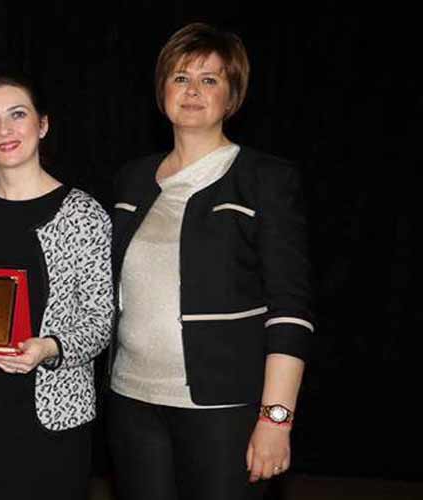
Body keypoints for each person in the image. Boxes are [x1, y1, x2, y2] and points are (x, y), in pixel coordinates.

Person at [107, 22, 313, 500]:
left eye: (210, 79)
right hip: (132, 402)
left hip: (225, 408)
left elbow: (290, 310)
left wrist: (275, 418)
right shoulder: (131, 179)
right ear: (162, 92)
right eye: (180, 78)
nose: (193, 91)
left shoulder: (264, 179)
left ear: (232, 96)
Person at [0, 74, 113, 500]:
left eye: (18, 115)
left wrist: (47, 348)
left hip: (52, 418)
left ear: (43, 124)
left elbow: (101, 320)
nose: (5, 130)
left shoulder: (84, 215)